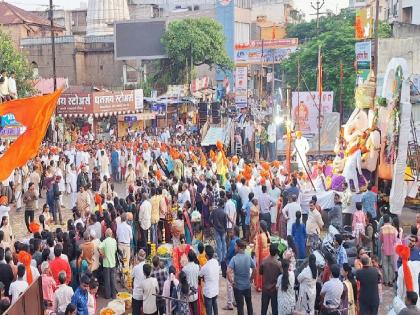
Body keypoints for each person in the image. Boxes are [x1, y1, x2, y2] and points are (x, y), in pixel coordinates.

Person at [227, 239, 256, 315]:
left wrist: (232, 282)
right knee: (249, 305)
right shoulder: (248, 257)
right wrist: (251, 279)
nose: (235, 247)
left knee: (240, 308)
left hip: (238, 287)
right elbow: (255, 269)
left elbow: (228, 271)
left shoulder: (234, 258)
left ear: (239, 247)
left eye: (236, 246)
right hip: (247, 285)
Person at [259, 243, 281, 315]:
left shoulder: (264, 261)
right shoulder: (278, 264)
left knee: (263, 310)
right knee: (275, 310)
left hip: (265, 288)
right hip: (274, 289)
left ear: (269, 250)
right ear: (276, 252)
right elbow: (281, 275)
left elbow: (260, 272)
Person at [199, 245, 219, 315]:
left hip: (208, 292)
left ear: (206, 255)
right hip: (215, 289)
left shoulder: (205, 267)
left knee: (209, 310)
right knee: (215, 304)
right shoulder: (216, 262)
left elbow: (199, 275)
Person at [99, 228, 117, 299]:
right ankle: (113, 295)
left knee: (107, 280)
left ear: (106, 234)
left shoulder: (104, 241)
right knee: (112, 279)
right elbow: (115, 250)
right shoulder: (114, 241)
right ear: (111, 234)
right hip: (113, 263)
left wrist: (102, 254)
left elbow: (99, 247)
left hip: (106, 263)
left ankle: (107, 295)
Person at [380, 214, 397, 286]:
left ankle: (386, 281)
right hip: (392, 249)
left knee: (385, 265)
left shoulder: (382, 228)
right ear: (389, 220)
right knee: (391, 265)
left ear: (383, 220)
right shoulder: (394, 228)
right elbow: (395, 240)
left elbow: (381, 240)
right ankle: (390, 281)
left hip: (384, 248)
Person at [255, 220, 270, 292]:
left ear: (260, 227)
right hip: (267, 253)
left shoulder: (260, 236)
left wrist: (257, 257)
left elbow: (257, 248)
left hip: (262, 254)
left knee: (260, 269)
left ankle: (260, 286)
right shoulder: (267, 233)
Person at [183, 250, 200, 315]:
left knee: (188, 310)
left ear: (188, 258)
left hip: (188, 292)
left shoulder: (185, 268)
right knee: (195, 310)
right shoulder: (197, 267)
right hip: (195, 291)